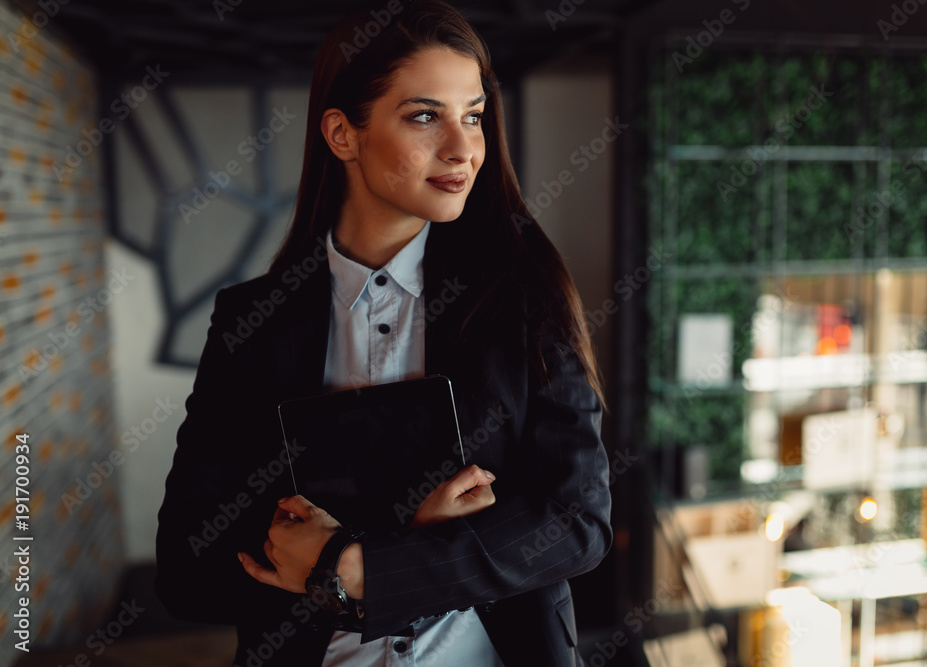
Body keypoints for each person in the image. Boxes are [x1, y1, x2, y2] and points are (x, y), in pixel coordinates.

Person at [154, 1, 613, 665]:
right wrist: (402, 537)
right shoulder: (250, 323)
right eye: (425, 115)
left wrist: (363, 561)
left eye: (474, 115)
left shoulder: (524, 301)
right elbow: (186, 569)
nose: (463, 148)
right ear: (343, 135)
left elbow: (578, 522)